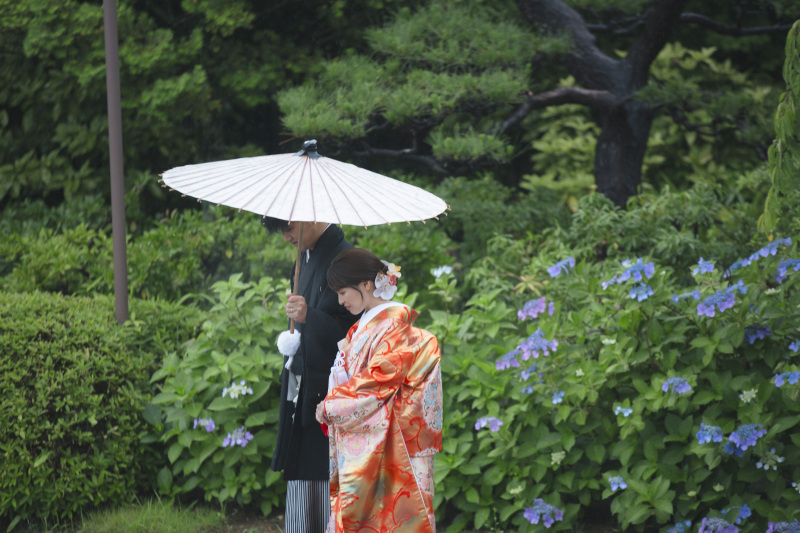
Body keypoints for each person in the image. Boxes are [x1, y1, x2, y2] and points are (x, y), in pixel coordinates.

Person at [315, 248, 443, 533]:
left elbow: (377, 382)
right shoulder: (366, 326)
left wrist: (330, 406)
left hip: (397, 440)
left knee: (399, 518)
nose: (340, 301)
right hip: (373, 432)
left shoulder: (392, 326)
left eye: (342, 292)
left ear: (366, 284)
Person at [261, 217, 358, 533]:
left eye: (289, 227)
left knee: (324, 468)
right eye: (282, 230)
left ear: (311, 217)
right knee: (302, 468)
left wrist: (310, 317)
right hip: (303, 376)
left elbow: (355, 331)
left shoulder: (346, 259)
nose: (286, 236)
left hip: (331, 384)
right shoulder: (303, 258)